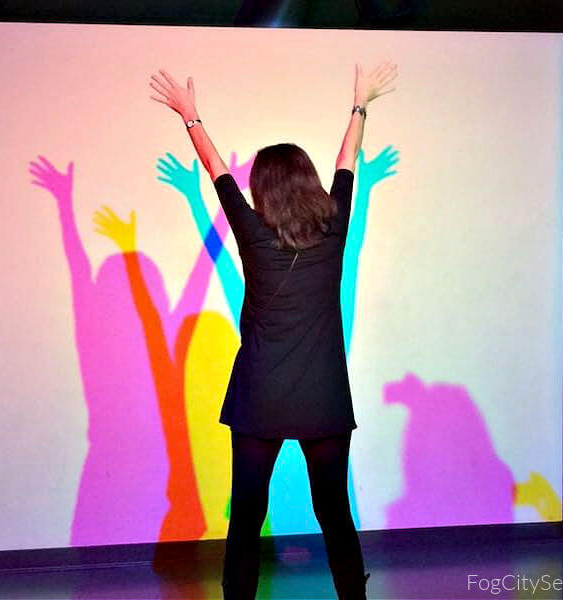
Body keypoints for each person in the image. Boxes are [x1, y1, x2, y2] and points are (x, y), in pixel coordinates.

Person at [149, 59, 397, 600]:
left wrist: (190, 116)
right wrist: (360, 103)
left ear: (262, 190)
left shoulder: (255, 236)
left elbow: (217, 173)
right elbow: (345, 161)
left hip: (260, 396)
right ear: (308, 183)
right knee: (334, 513)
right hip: (322, 399)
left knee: (246, 517)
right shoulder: (333, 227)